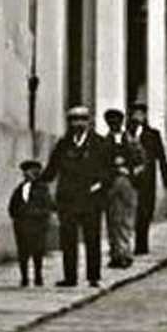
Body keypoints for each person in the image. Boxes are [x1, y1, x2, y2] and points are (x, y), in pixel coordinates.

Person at [42, 104, 111, 287]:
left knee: (92, 238)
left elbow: (108, 171)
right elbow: (52, 169)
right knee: (68, 239)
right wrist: (38, 180)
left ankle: (93, 276)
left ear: (89, 121)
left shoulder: (99, 143)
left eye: (82, 119)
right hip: (68, 199)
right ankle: (70, 277)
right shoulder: (64, 144)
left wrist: (99, 187)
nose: (78, 124)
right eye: (74, 120)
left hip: (90, 198)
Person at [125, 101, 167, 255]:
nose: (138, 117)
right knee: (130, 211)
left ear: (145, 116)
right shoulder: (125, 133)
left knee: (146, 211)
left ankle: (141, 244)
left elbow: (161, 157)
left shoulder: (153, 134)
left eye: (141, 114)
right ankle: (125, 245)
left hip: (147, 179)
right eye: (135, 114)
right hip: (130, 178)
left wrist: (166, 178)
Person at [7, 158, 54, 287]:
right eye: (29, 171)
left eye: (35, 171)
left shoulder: (42, 189)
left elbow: (49, 206)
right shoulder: (20, 189)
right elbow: (12, 206)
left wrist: (41, 216)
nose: (32, 174)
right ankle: (24, 278)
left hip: (37, 224)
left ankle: (38, 277)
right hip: (22, 225)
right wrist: (17, 217)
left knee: (38, 251)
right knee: (23, 252)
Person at [105, 146, 138, 269]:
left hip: (120, 211)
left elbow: (125, 199)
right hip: (118, 210)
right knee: (119, 230)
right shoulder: (125, 181)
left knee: (120, 230)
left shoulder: (121, 181)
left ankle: (123, 256)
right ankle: (119, 255)